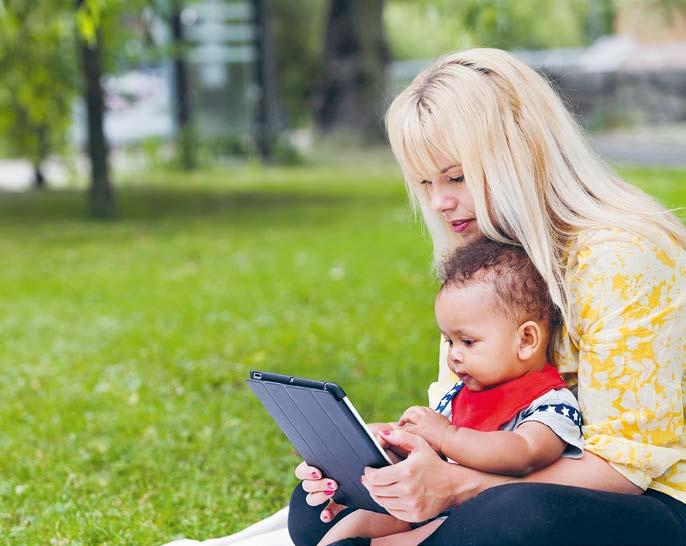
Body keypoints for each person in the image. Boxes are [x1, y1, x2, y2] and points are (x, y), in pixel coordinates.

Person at [288, 48, 686, 546]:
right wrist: (397, 455)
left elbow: (624, 471)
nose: (439, 202)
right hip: (507, 480)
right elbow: (461, 408)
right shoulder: (481, 262)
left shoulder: (624, 255)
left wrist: (458, 488)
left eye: (455, 177)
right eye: (425, 182)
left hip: (646, 501)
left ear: (521, 155)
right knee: (317, 508)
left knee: (511, 517)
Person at [308, 239, 586, 546]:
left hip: (486, 515)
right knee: (363, 517)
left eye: (467, 342)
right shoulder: (461, 394)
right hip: (434, 500)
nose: (453, 355)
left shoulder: (550, 403)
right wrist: (385, 439)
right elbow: (427, 449)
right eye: (448, 342)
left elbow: (526, 452)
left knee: (424, 538)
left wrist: (447, 435)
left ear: (526, 340)